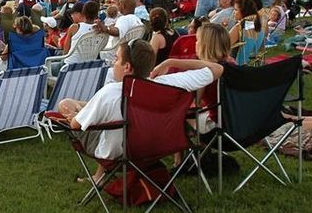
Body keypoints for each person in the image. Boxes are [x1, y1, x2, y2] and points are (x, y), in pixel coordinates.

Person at [57, 37, 225, 182]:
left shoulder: (109, 93)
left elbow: (75, 125)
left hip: (119, 152)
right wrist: (170, 62)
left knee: (67, 105)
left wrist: (74, 114)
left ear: (127, 67)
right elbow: (217, 69)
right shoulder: (169, 83)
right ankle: (99, 175)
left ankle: (99, 176)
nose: (113, 64)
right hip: (159, 147)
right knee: (110, 115)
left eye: (116, 59)